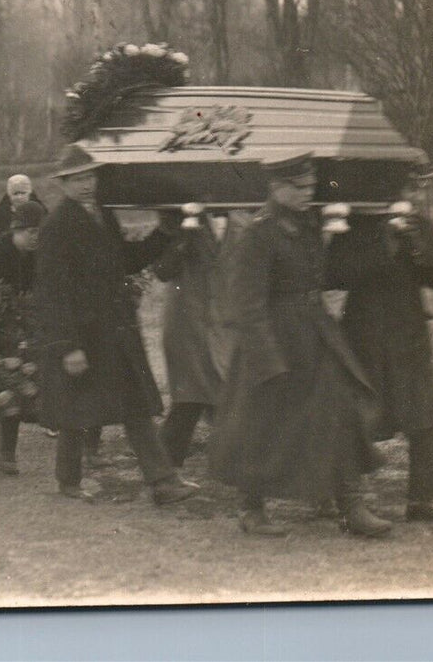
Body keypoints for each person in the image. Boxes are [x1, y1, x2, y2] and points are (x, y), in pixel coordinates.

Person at [208, 152, 389, 538]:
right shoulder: (259, 231)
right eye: (301, 186)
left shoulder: (307, 223)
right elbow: (247, 301)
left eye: (311, 185)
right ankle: (251, 509)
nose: (310, 192)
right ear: (277, 187)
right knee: (261, 425)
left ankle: (350, 504)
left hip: (314, 333)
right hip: (274, 339)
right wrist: (266, 357)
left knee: (338, 409)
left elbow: (319, 278)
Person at [33, 145, 198, 505]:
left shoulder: (103, 216)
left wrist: (163, 233)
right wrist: (68, 346)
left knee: (134, 406)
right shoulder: (56, 227)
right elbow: (52, 293)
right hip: (84, 335)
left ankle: (162, 482)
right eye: (77, 179)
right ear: (63, 184)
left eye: (90, 176)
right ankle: (68, 481)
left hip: (116, 330)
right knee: (76, 411)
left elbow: (124, 260)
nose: (86, 184)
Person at [327, 170, 433, 524]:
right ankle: (349, 503)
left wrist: (420, 246)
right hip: (364, 338)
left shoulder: (420, 224)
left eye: (414, 186)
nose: (411, 192)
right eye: (405, 185)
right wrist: (384, 244)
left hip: (409, 337)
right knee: (360, 421)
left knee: (426, 421)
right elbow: (334, 275)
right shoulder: (356, 224)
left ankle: (420, 502)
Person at [148, 209, 247, 467]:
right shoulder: (176, 217)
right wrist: (184, 237)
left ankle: (234, 462)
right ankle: (165, 469)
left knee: (225, 390)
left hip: (226, 321)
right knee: (190, 395)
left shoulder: (244, 217)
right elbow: (162, 270)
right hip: (187, 319)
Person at [0, 200, 46, 474]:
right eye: (30, 232)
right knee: (8, 389)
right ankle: (7, 453)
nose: (36, 237)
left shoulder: (40, 254)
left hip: (29, 327)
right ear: (16, 230)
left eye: (40, 231)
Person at [0, 174, 44, 247]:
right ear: (9, 195)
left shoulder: (41, 213)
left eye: (23, 193)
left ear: (29, 193)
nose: (19, 197)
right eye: (15, 193)